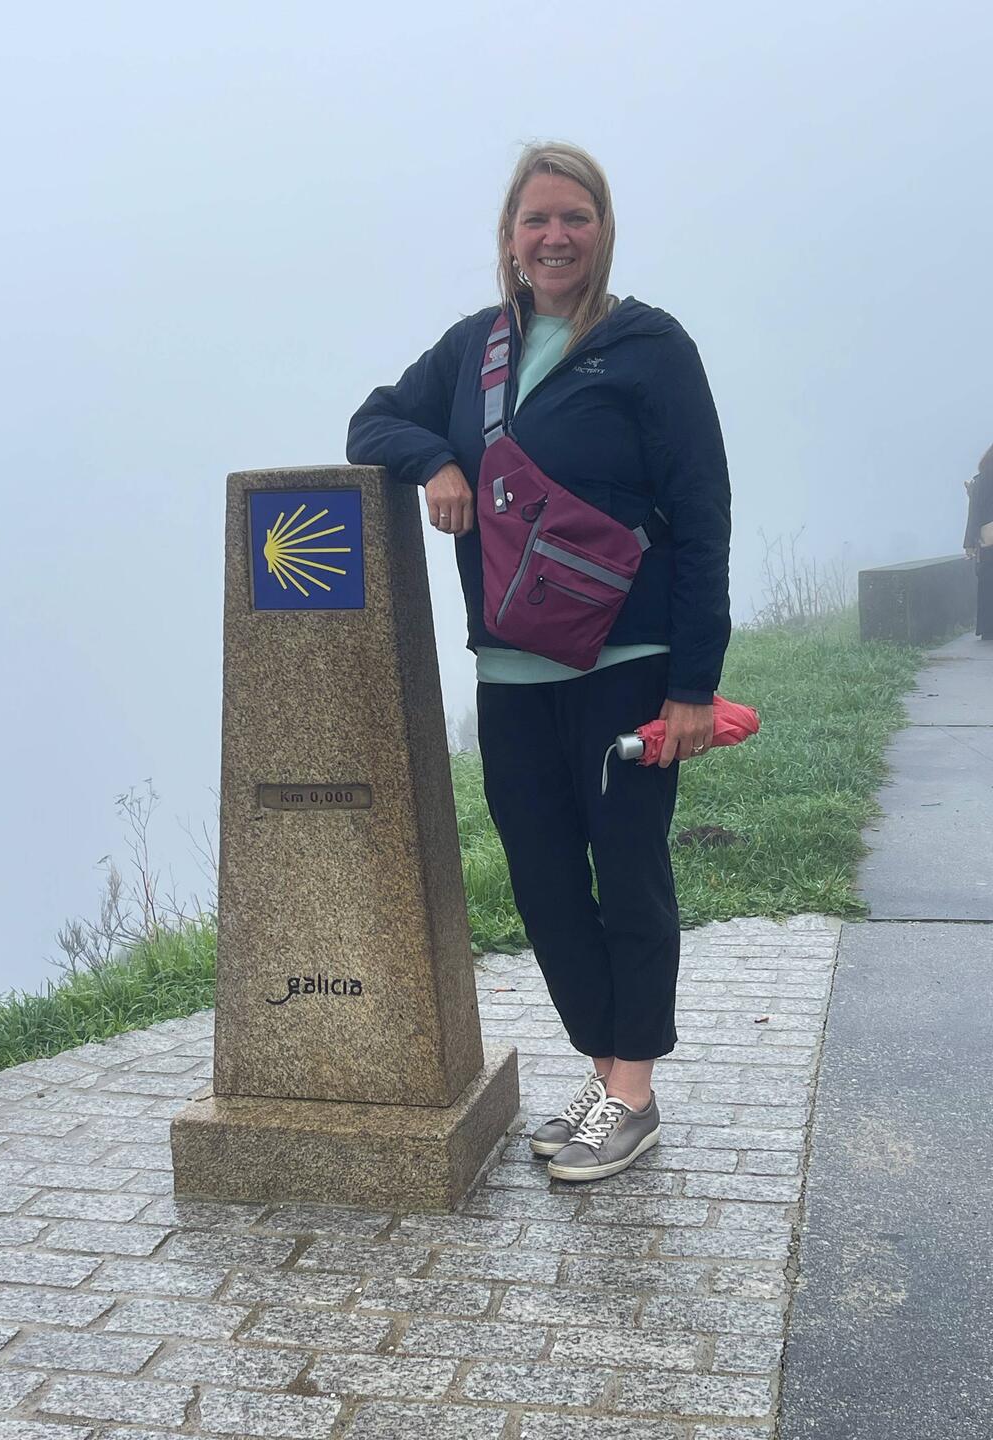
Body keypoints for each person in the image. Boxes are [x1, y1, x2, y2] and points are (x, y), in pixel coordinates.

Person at [346, 142, 731, 1183]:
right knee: (548, 884)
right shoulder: (476, 351)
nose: (555, 237)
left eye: (576, 218)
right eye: (536, 222)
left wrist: (693, 684)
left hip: (629, 666)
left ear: (603, 231)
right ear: (510, 242)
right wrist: (434, 459)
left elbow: (702, 517)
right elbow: (369, 420)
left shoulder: (651, 347)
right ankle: (608, 1077)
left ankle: (635, 1094)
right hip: (512, 676)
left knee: (631, 875)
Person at [964, 444, 993, 641]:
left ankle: (987, 628)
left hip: (987, 540)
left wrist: (970, 543)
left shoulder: (981, 480)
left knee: (987, 583)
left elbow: (974, 515)